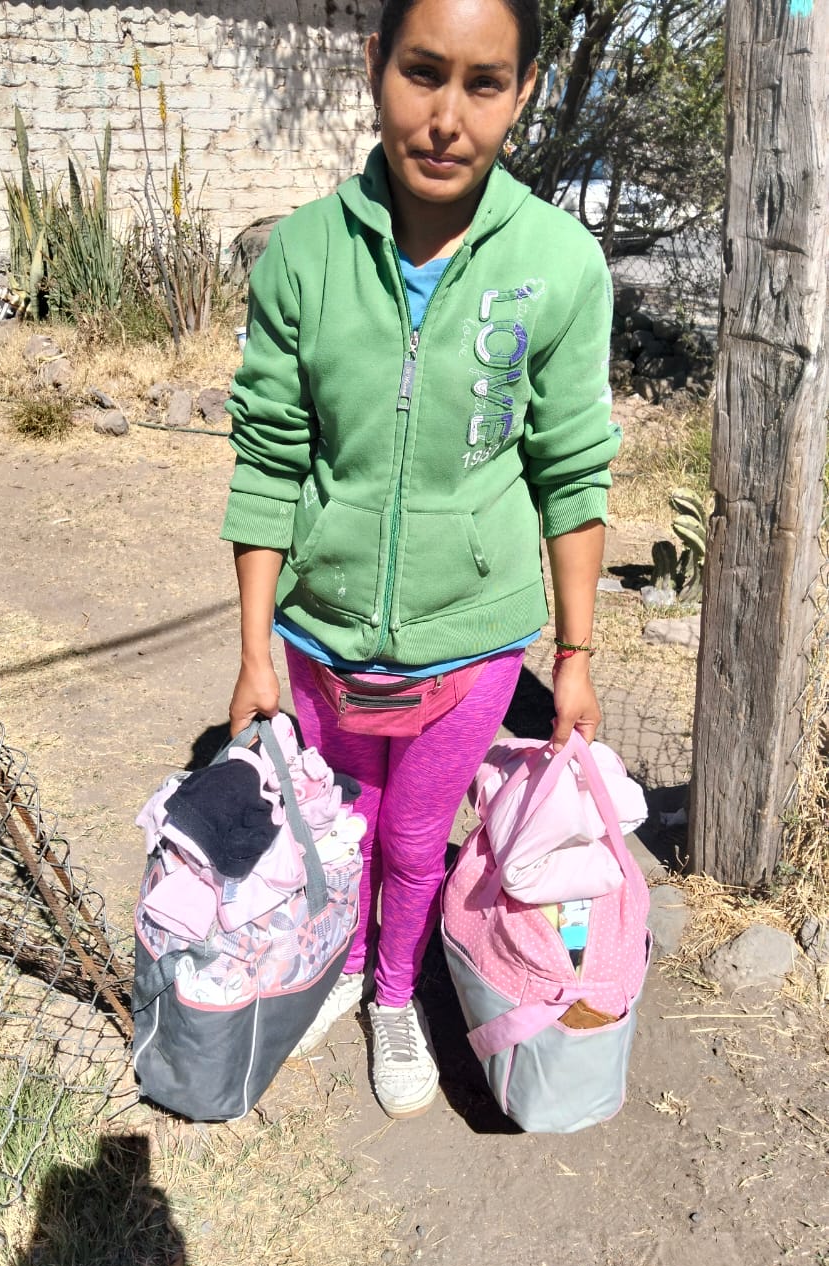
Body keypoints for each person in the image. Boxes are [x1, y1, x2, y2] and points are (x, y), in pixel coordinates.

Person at [221, 0, 621, 1119]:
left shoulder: (558, 264)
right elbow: (266, 458)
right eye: (422, 72)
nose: (446, 117)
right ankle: (343, 965)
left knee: (410, 835)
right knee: (342, 827)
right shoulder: (303, 254)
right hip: (320, 637)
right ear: (374, 67)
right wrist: (255, 647)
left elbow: (572, 471)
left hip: (474, 638)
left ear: (526, 91)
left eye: (483, 84)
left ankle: (392, 993)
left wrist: (576, 653)